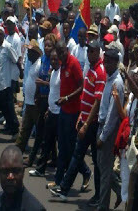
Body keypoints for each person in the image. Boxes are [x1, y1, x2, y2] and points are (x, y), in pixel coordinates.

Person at [50, 40, 106, 204]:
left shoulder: (100, 72)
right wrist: (82, 116)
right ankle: (65, 188)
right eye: (88, 51)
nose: (89, 54)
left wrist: (86, 123)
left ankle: (100, 195)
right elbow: (87, 96)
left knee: (96, 161)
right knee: (76, 154)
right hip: (83, 118)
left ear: (98, 52)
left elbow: (96, 101)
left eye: (92, 51)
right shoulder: (91, 69)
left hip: (93, 123)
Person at [51, 40, 84, 189]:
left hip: (73, 111)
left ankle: (85, 171)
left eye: (64, 51)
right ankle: (58, 181)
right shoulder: (62, 64)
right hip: (63, 110)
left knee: (70, 149)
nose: (62, 54)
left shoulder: (73, 63)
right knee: (62, 147)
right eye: (60, 52)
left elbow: (81, 86)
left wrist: (67, 98)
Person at [96, 48, 124, 211]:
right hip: (101, 126)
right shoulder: (108, 78)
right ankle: (119, 189)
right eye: (105, 60)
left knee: (105, 172)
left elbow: (113, 115)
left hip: (108, 131)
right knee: (101, 166)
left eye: (109, 61)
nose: (105, 63)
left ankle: (102, 207)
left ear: (115, 62)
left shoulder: (117, 82)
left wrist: (103, 137)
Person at [29, 49, 60, 176]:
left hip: (60, 113)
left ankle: (81, 170)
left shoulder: (62, 74)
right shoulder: (53, 73)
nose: (52, 62)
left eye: (55, 59)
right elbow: (52, 92)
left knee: (63, 144)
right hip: (51, 111)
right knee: (47, 140)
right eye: (51, 59)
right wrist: (48, 109)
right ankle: (41, 169)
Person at [0, 145, 45, 211]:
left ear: (23, 172)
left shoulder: (35, 208)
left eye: (15, 171)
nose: (10, 177)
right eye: (5, 171)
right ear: (0, 172)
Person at [15, 39, 42, 153]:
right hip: (29, 102)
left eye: (30, 52)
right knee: (25, 129)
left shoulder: (39, 65)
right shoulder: (32, 64)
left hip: (35, 104)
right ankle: (17, 151)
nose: (28, 54)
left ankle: (48, 154)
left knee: (40, 131)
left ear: (35, 53)